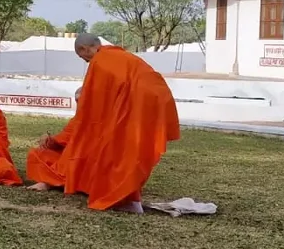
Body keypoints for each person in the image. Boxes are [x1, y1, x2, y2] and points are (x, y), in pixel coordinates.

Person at [26, 33, 180, 212]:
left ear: (85, 49)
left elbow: (96, 104)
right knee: (132, 152)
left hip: (134, 107)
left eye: (81, 56)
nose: (84, 60)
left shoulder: (100, 61)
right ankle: (129, 197)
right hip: (154, 102)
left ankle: (121, 197)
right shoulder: (124, 56)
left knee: (116, 151)